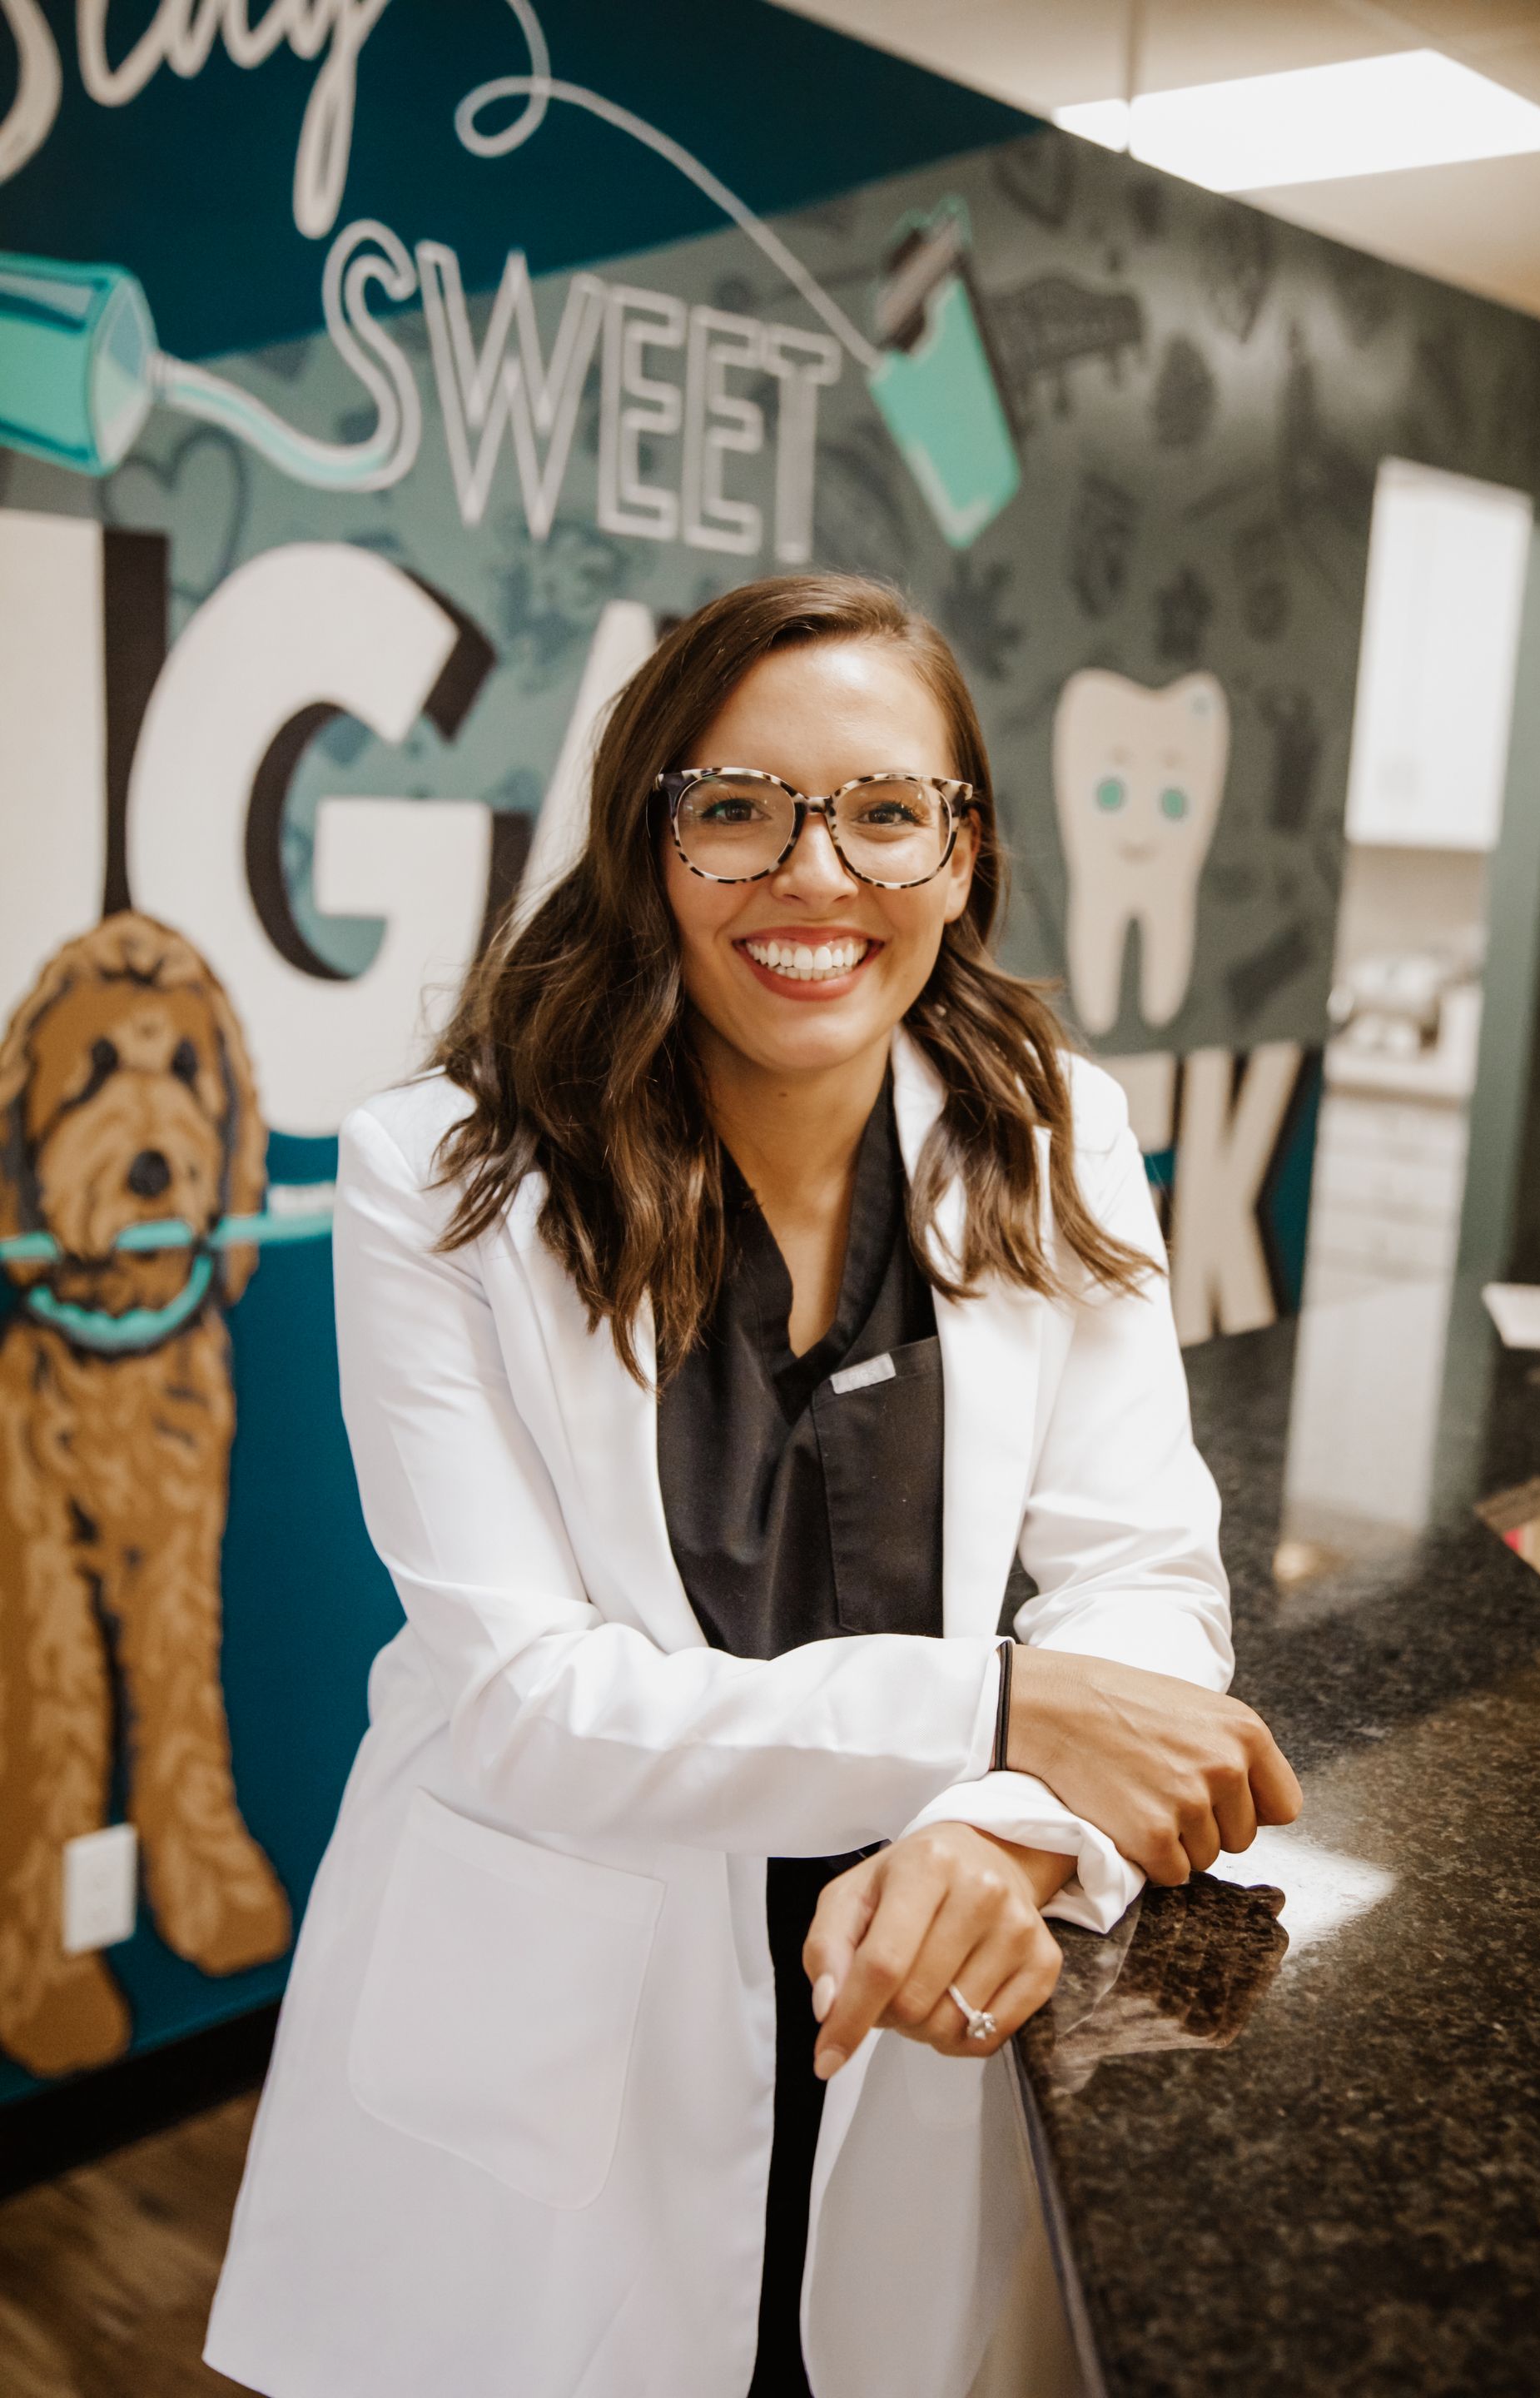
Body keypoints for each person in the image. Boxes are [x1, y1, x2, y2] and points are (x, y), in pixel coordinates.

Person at [205, 575, 1300, 2398]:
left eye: (885, 811)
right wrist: (1005, 1705)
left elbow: (1144, 1580)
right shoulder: (439, 1179)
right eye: (739, 810)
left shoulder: (1058, 1131)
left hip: (926, 1960)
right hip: (565, 2017)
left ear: (965, 855)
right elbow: (530, 1708)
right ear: (653, 845)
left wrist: (1003, 1824)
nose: (820, 874)